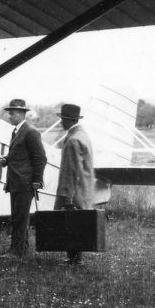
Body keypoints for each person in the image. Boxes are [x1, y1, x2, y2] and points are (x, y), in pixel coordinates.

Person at [0, 99, 47, 259]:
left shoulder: (30, 131)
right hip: (17, 182)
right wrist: (7, 159)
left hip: (25, 183)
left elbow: (40, 158)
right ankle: (21, 249)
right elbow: (23, 155)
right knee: (19, 217)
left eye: (11, 113)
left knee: (20, 218)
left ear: (20, 114)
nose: (9, 116)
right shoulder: (18, 131)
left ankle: (16, 252)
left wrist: (37, 180)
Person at [55, 103, 96, 265]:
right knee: (78, 223)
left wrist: (67, 196)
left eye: (63, 119)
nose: (61, 123)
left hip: (74, 191)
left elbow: (70, 171)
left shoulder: (73, 140)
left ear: (70, 120)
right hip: (84, 188)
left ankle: (73, 259)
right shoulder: (83, 135)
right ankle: (76, 258)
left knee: (71, 223)